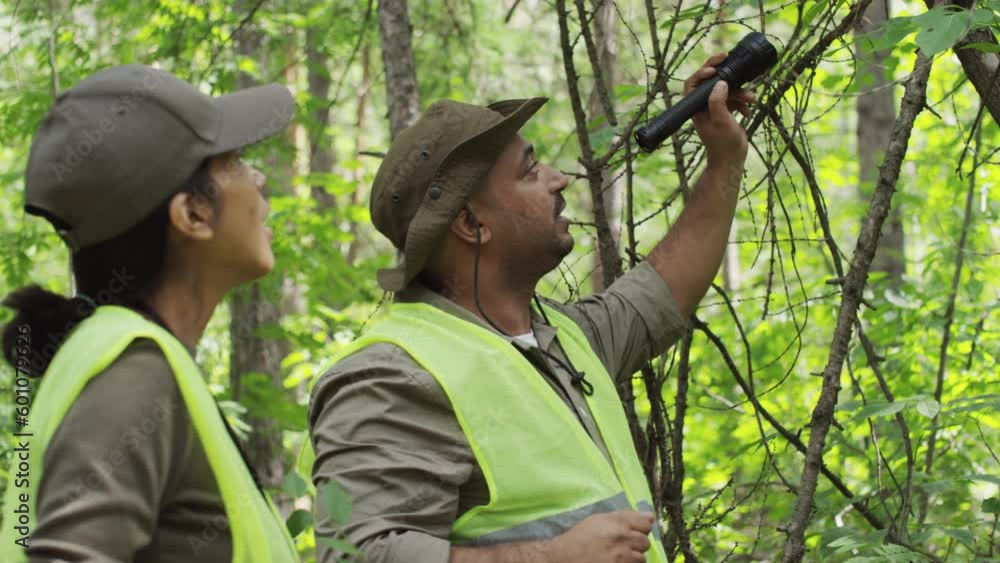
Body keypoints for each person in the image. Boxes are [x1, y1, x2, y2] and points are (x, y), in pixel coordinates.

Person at [307, 54, 752, 563]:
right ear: (472, 225)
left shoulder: (562, 340)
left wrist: (725, 159)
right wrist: (547, 558)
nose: (557, 180)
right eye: (530, 171)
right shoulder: (392, 376)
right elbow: (353, 554)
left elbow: (665, 287)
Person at [0, 64, 300, 562]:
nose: (260, 178)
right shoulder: (135, 374)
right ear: (192, 215)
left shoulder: (137, 358)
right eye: (238, 161)